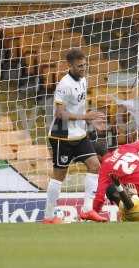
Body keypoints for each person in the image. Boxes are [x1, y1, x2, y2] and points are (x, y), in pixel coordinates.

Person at [43, 48, 107, 224]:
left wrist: (89, 121)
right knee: (59, 176)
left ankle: (87, 210)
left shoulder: (84, 80)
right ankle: (49, 216)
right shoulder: (64, 85)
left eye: (85, 65)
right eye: (79, 66)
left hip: (79, 134)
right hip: (61, 136)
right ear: (70, 65)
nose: (83, 68)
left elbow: (77, 108)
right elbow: (60, 114)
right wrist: (85, 117)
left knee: (95, 165)